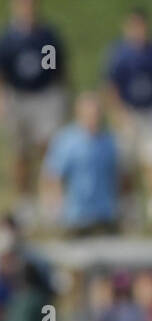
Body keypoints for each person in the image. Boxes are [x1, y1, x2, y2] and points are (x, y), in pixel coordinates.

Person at [0, 0, 67, 214]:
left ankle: (49, 201)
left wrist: (60, 98)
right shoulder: (8, 39)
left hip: (44, 96)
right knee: (20, 153)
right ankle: (24, 202)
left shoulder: (46, 36)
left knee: (49, 149)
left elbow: (56, 69)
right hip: (18, 96)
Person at [104, 7, 152, 205]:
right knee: (126, 165)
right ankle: (128, 207)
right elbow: (110, 86)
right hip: (129, 112)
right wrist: (118, 113)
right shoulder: (119, 54)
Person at [41, 92, 122, 235]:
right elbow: (53, 176)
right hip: (75, 217)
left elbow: (118, 175)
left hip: (105, 215)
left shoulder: (109, 141)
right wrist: (54, 209)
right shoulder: (66, 141)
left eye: (96, 113)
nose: (93, 118)